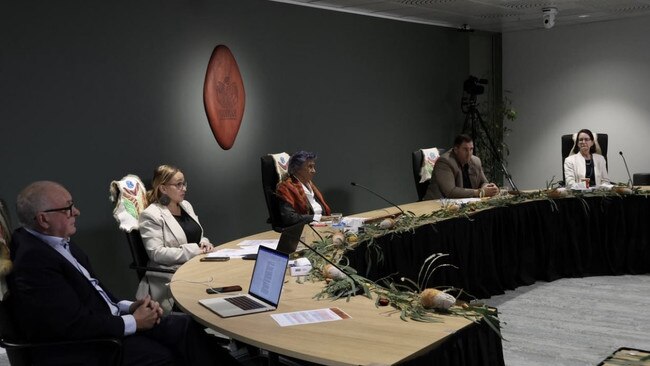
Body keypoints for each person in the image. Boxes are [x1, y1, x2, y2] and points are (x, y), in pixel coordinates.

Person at [8, 181, 237, 365]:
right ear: (43, 219)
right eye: (68, 207)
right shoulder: (33, 262)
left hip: (109, 323)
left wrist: (130, 307)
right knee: (164, 355)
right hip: (92, 345)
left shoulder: (60, 242)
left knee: (184, 326)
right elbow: (71, 325)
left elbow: (97, 294)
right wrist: (134, 322)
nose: (76, 212)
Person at [138, 164, 214, 313]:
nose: (184, 188)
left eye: (184, 183)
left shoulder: (185, 205)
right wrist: (195, 250)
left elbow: (197, 235)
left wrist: (205, 243)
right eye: (178, 185)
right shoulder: (151, 215)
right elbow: (156, 253)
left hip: (196, 267)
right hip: (171, 276)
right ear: (163, 188)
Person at [424, 134, 499, 200]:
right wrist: (480, 192)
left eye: (471, 149)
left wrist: (489, 187)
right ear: (456, 150)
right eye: (465, 149)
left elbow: (484, 182)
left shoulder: (476, 161)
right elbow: (450, 192)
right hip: (436, 205)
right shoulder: (445, 162)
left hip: (464, 204)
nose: (469, 154)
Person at [276, 151, 332, 226]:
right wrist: (317, 218)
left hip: (321, 224)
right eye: (310, 167)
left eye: (313, 167)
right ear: (297, 169)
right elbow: (290, 218)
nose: (314, 171)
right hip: (305, 228)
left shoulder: (310, 184)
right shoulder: (286, 188)